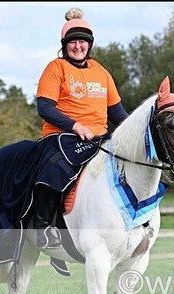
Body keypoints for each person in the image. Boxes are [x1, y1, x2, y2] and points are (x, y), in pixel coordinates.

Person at [33, 7, 129, 248]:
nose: (78, 46)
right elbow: (45, 107)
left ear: (90, 45)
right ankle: (43, 226)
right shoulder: (56, 68)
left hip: (99, 136)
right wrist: (75, 126)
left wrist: (135, 130)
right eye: (73, 41)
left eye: (83, 42)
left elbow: (116, 111)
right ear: (64, 45)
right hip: (62, 135)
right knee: (53, 166)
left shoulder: (102, 72)